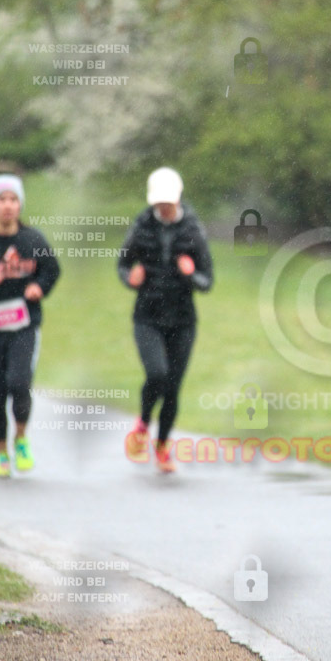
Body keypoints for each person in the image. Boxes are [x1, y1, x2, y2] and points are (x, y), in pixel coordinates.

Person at [119, 167, 213, 473]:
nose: (163, 208)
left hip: (183, 320)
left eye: (168, 203)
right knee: (157, 374)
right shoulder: (141, 227)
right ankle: (144, 422)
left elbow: (207, 281)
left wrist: (190, 274)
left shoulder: (194, 230)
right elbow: (123, 264)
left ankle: (161, 447)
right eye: (159, 203)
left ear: (177, 199)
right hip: (147, 316)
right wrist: (130, 278)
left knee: (173, 387)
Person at [0, 174, 61, 477]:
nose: (7, 206)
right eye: (1, 199)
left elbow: (52, 269)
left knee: (19, 384)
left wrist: (40, 288)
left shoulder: (32, 240)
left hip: (24, 325)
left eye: (13, 200)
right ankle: (1, 451)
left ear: (20, 204)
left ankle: (20, 437)